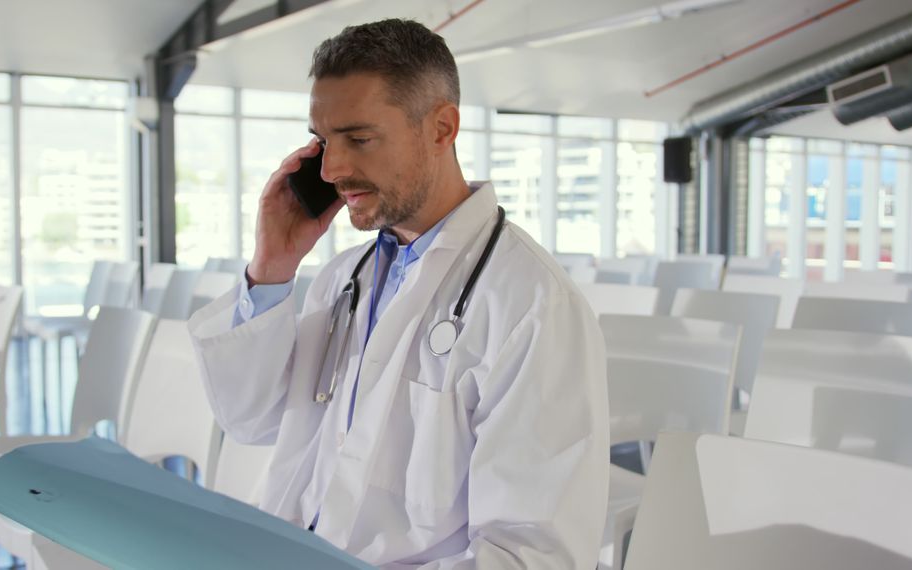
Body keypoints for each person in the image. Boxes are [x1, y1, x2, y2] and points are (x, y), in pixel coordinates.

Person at [188, 18, 608, 569]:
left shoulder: (533, 306)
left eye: (358, 138)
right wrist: (271, 267)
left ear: (441, 129)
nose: (334, 169)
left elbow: (530, 555)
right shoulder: (344, 278)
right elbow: (250, 421)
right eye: (322, 142)